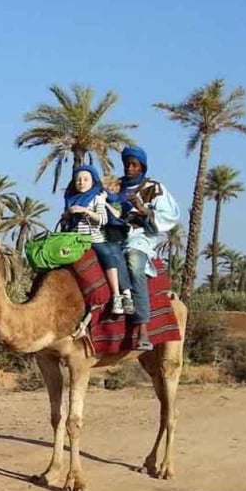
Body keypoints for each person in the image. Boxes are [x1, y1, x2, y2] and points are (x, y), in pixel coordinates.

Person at [108, 145, 181, 351]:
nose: (129, 168)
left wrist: (141, 209)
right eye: (126, 164)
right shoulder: (115, 186)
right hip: (114, 234)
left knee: (133, 262)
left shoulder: (154, 188)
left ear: (142, 167)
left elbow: (169, 216)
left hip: (141, 236)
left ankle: (142, 326)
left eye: (134, 165)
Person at [58, 164, 129, 317]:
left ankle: (117, 295)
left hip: (93, 240)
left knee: (108, 255)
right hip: (75, 240)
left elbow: (102, 220)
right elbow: (66, 223)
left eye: (85, 179)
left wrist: (86, 211)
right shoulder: (71, 200)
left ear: (93, 181)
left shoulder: (97, 199)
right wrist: (67, 215)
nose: (81, 182)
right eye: (78, 179)